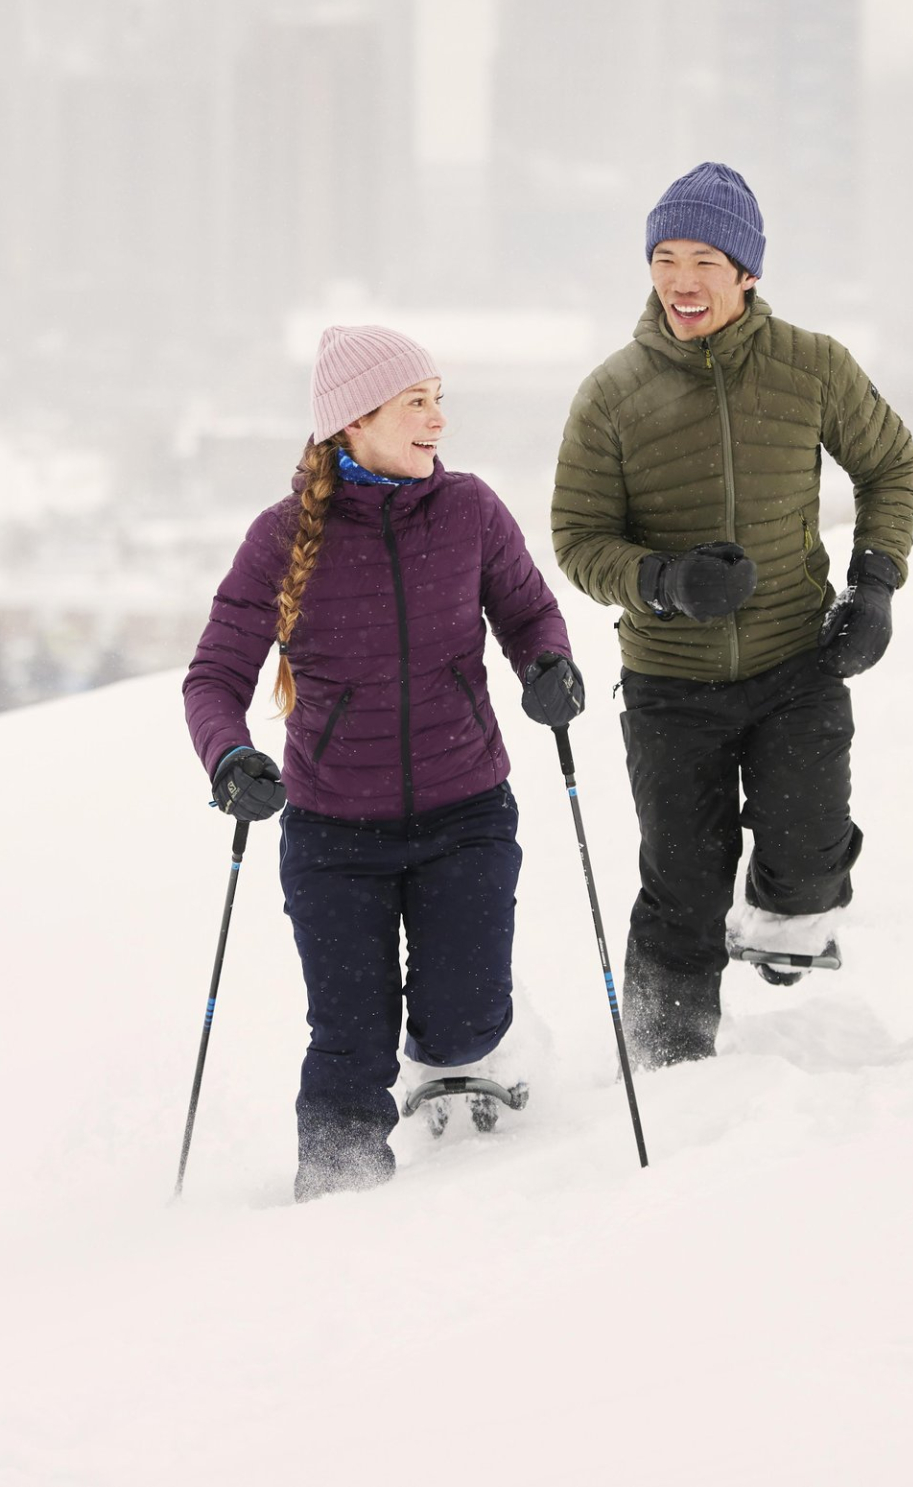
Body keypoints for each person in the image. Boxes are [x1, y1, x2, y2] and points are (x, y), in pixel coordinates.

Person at [184, 324, 586, 1199]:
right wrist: (230, 759)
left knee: (463, 1020)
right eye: (417, 402)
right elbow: (215, 676)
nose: (438, 419)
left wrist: (547, 666)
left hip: (466, 811)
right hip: (334, 835)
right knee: (350, 1040)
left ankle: (467, 1053)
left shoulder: (471, 510)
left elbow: (529, 614)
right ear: (354, 421)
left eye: (439, 398)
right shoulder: (282, 537)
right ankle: (336, 1199)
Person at [550, 161, 913, 1067]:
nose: (682, 279)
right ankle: (666, 1065)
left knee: (808, 850)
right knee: (682, 885)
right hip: (671, 685)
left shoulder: (814, 367)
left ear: (748, 272)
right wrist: (665, 581)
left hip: (797, 661)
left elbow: (890, 465)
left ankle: (785, 908)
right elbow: (577, 539)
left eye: (706, 260)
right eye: (665, 257)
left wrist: (873, 586)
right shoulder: (612, 394)